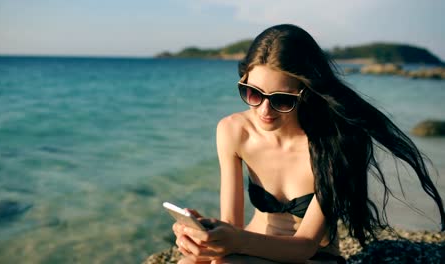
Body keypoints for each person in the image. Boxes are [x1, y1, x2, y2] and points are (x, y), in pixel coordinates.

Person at [171, 24, 445, 263]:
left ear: (307, 92)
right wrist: (205, 235)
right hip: (250, 248)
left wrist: (235, 243)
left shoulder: (336, 144)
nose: (265, 110)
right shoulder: (233, 131)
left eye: (281, 99)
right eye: (253, 93)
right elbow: (231, 224)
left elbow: (305, 246)